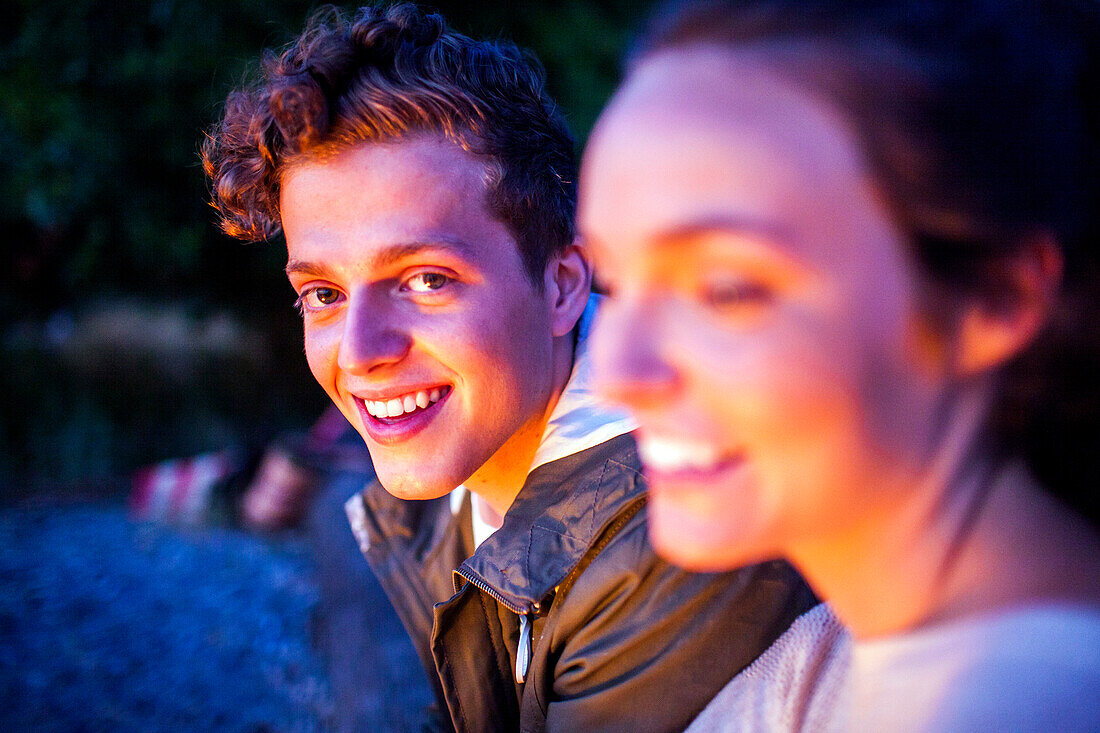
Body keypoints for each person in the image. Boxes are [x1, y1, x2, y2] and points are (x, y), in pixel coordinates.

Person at [202, 4, 817, 731]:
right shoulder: (459, 466)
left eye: (427, 279)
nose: (361, 351)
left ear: (562, 284)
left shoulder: (678, 539)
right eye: (325, 293)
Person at [580, 0, 1100, 730]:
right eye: (611, 281)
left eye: (724, 288)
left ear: (995, 296)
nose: (619, 371)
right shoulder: (839, 647)